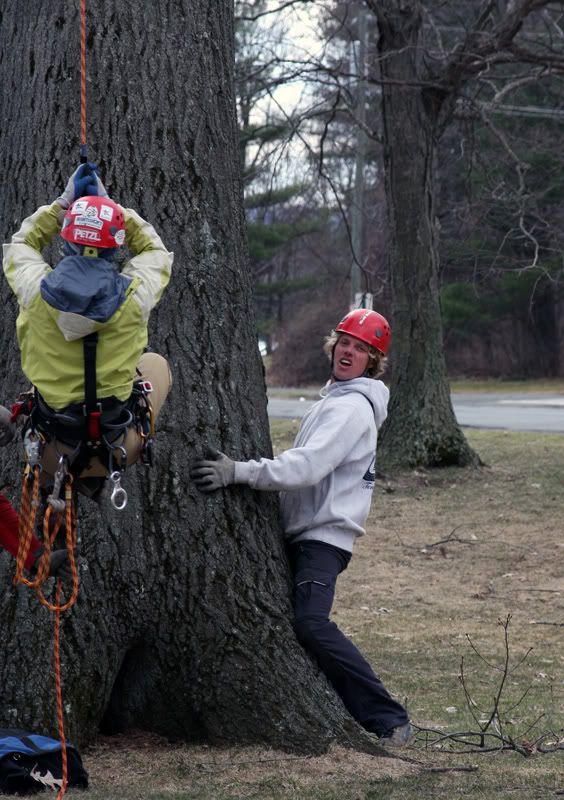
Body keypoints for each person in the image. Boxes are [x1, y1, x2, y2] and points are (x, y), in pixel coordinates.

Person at [190, 308, 413, 746]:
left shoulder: (350, 409)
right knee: (302, 626)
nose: (349, 351)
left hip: (324, 539)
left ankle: (389, 717)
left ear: (373, 361)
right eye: (345, 342)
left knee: (312, 623)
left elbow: (306, 468)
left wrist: (239, 472)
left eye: (362, 348)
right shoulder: (336, 399)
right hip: (306, 533)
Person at [2, 163, 173, 499]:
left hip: (52, 450)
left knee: (45, 379)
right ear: (116, 246)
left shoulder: (34, 291)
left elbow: (21, 244)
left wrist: (62, 207)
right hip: (120, 446)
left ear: (66, 241)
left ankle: (59, 480)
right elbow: (155, 252)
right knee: (155, 364)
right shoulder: (137, 296)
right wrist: (113, 210)